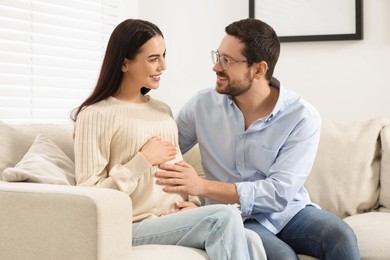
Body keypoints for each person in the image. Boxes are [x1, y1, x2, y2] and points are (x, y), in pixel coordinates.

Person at [156, 18, 360, 260]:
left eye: (227, 61)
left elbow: (278, 194)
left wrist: (203, 187)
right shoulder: (202, 106)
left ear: (259, 69)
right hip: (231, 214)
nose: (216, 68)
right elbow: (166, 155)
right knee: (280, 256)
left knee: (340, 234)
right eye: (217, 56)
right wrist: (192, 207)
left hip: (288, 212)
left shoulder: (301, 117)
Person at [71, 19, 266, 260]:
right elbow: (88, 195)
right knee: (223, 217)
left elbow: (178, 169)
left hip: (172, 219)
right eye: (153, 59)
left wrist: (193, 202)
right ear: (125, 63)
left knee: (252, 239)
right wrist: (142, 160)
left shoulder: (162, 110)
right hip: (131, 223)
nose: (163, 65)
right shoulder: (95, 115)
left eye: (163, 56)